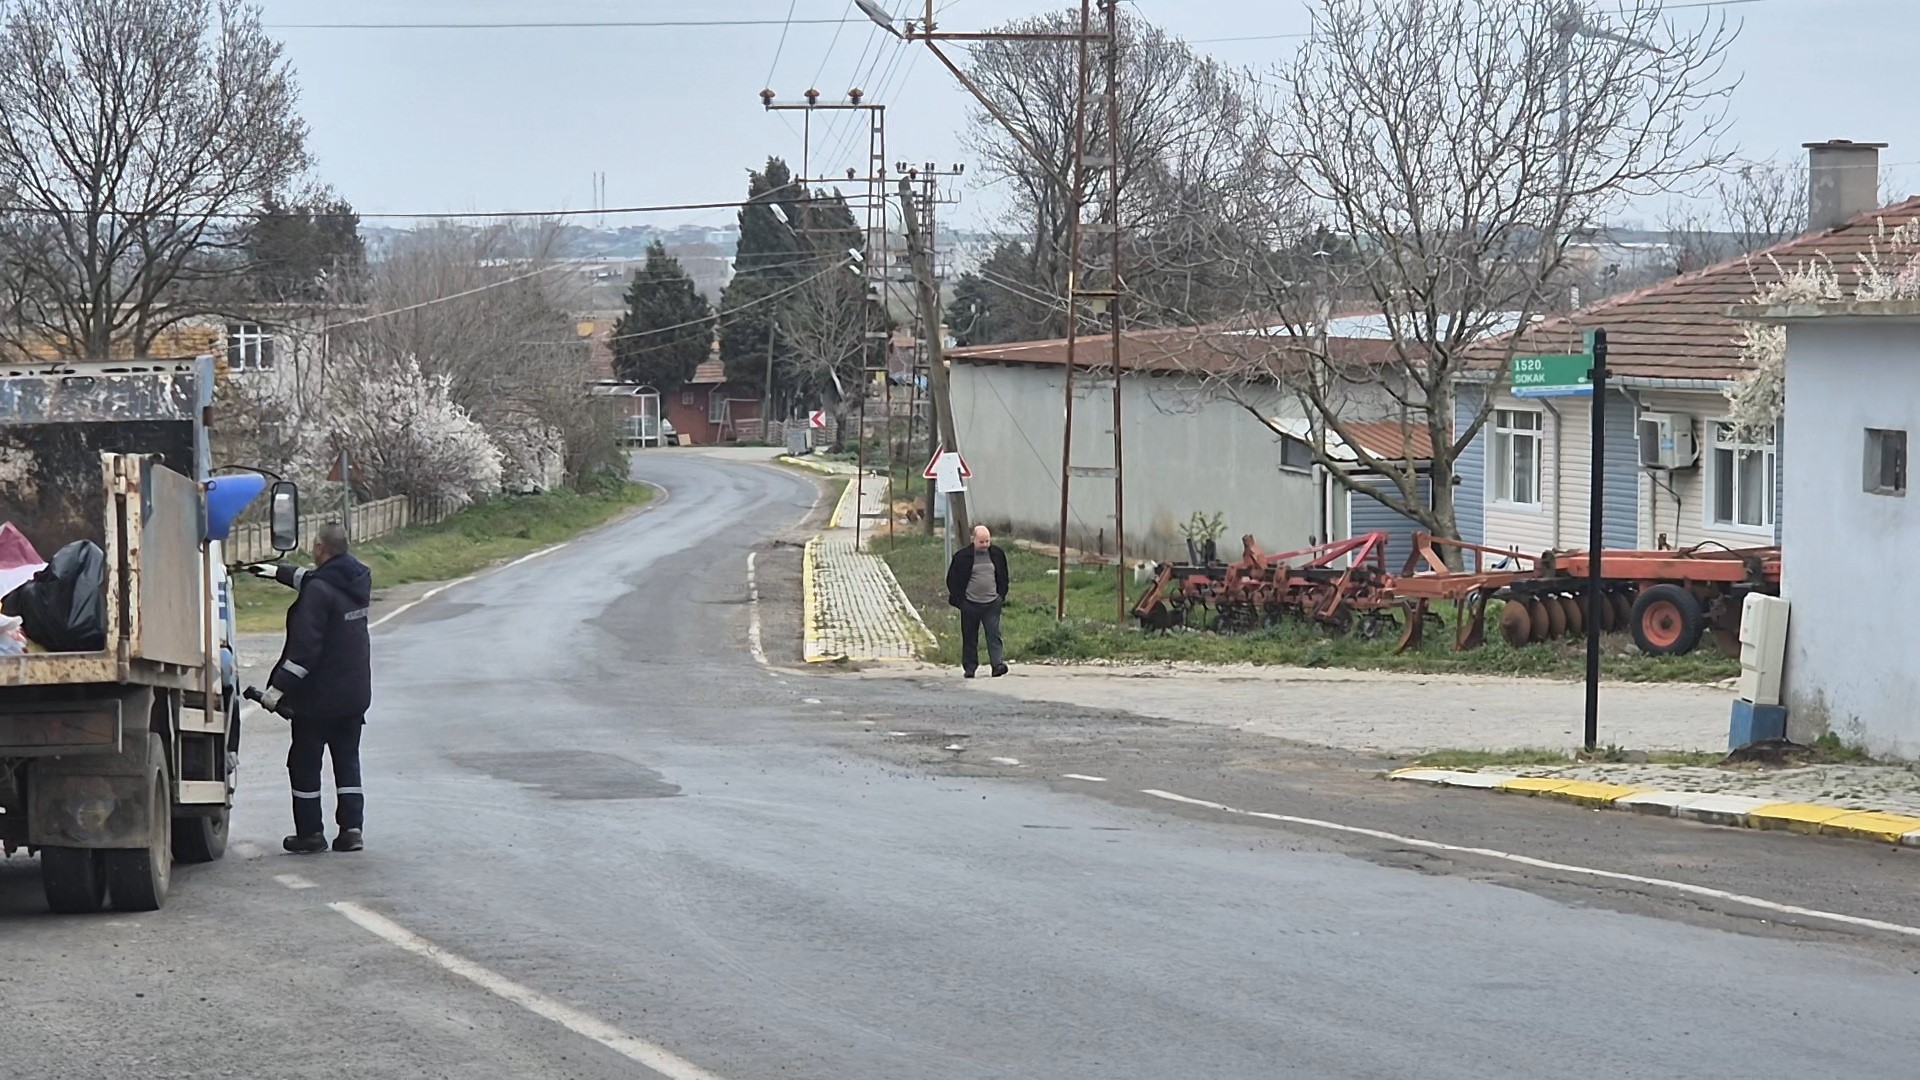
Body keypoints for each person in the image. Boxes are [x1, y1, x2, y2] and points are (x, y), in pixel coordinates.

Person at [247, 522, 373, 854]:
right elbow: (316, 580)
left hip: (318, 699)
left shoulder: (318, 592)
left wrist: (275, 690)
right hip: (354, 695)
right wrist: (277, 572)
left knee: (304, 763)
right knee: (347, 761)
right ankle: (352, 831)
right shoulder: (357, 580)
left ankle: (310, 834)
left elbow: (304, 653)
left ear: (320, 547)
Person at [945, 524, 1010, 679]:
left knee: (994, 634)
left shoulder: (997, 554)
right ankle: (970, 667)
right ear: (974, 539)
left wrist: (1000, 596)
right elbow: (952, 580)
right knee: (970, 637)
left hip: (992, 603)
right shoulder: (962, 557)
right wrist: (961, 601)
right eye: (982, 542)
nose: (985, 545)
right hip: (970, 604)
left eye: (987, 541)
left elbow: (1003, 577)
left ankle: (997, 664)